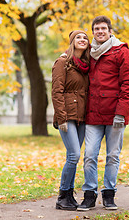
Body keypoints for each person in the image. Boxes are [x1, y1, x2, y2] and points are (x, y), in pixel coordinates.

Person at [77, 16, 129, 211]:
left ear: (110, 31)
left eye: (103, 28)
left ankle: (109, 195)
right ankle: (89, 195)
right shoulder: (89, 53)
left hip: (115, 116)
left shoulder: (122, 52)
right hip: (93, 115)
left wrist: (121, 113)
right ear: (93, 32)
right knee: (89, 155)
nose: (100, 31)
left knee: (112, 156)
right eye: (96, 29)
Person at [51, 30, 90, 210]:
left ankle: (68, 196)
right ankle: (62, 196)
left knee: (73, 156)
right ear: (72, 42)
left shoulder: (86, 65)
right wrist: (61, 118)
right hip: (66, 116)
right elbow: (56, 92)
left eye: (85, 38)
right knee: (74, 154)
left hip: (81, 116)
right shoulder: (62, 62)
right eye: (78, 38)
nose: (82, 40)